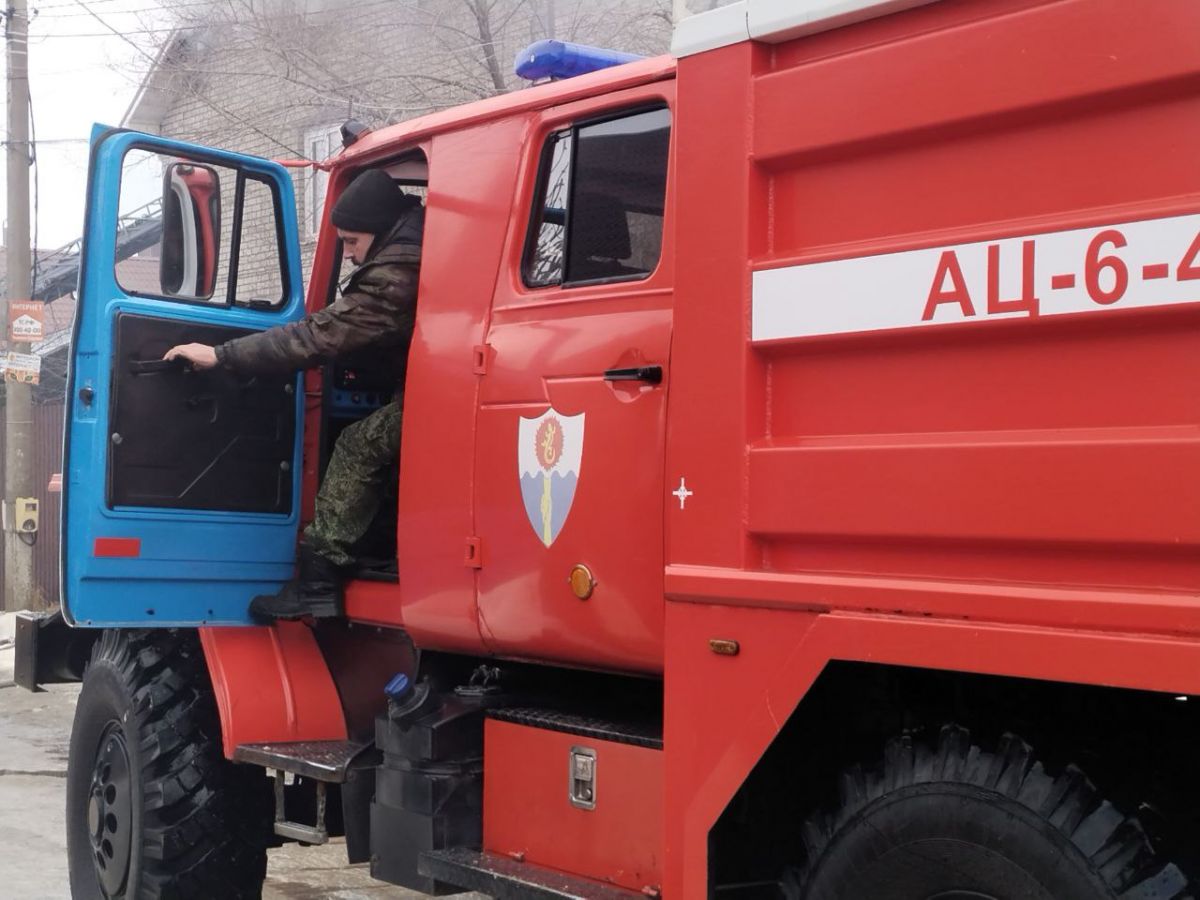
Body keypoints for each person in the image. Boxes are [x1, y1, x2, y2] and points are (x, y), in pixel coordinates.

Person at [164, 169, 423, 621]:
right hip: (434, 392)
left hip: (440, 402)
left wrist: (222, 355)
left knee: (359, 444)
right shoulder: (420, 249)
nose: (348, 254)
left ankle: (318, 582)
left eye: (351, 242)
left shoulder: (395, 277)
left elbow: (316, 337)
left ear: (380, 229)